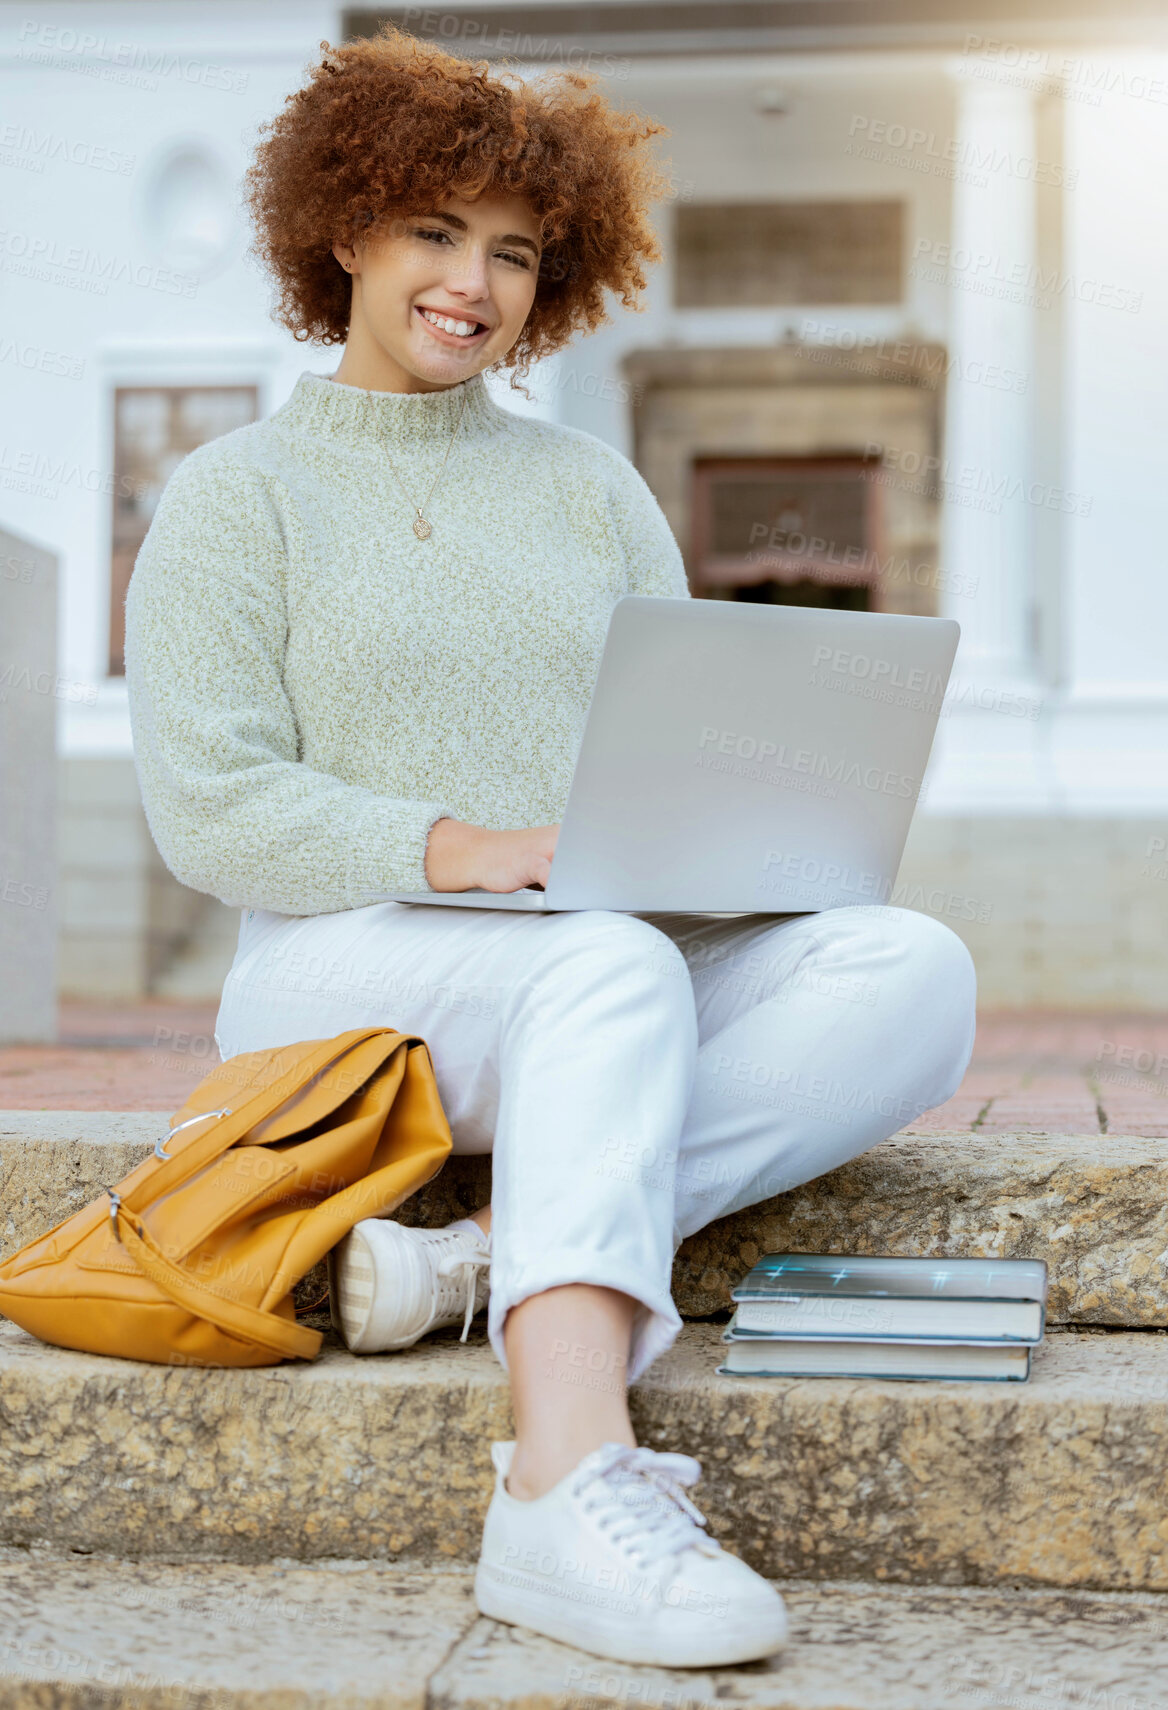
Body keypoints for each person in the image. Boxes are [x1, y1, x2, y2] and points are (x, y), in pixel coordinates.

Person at [123, 25, 976, 1671]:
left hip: (592, 958)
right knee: (599, 959)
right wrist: (473, 845)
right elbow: (211, 807)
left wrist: (753, 831)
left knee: (910, 966)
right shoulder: (238, 497)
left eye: (515, 252)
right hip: (341, 975)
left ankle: (473, 1264)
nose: (475, 282)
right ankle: (562, 1478)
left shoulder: (593, 491)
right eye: (436, 232)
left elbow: (670, 741)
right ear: (346, 231)